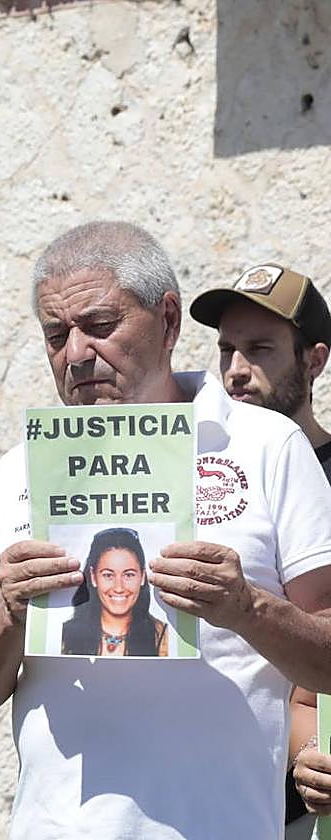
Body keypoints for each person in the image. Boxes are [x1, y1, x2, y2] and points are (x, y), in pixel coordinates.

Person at [0, 221, 331, 839]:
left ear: (169, 322)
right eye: (56, 335)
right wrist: (9, 615)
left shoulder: (267, 444)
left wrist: (246, 607)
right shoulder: (20, 471)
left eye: (99, 326)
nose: (76, 355)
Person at [189, 262, 331, 834]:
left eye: (261, 349)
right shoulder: (201, 468)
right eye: (226, 350)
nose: (236, 371)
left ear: (314, 360)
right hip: (231, 796)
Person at [59, 527, 168, 657]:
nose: (119, 588)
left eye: (128, 575)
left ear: (143, 576)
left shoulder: (164, 637)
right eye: (108, 575)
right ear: (93, 577)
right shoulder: (65, 635)